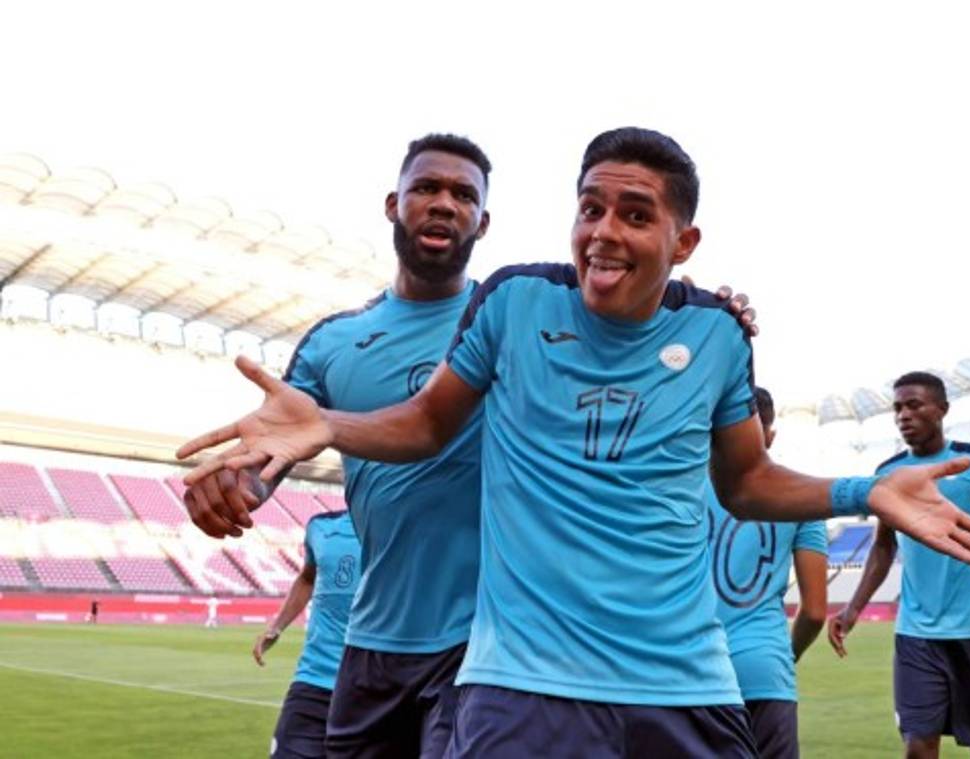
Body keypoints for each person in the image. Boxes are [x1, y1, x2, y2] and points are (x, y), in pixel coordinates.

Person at [179, 127, 970, 757]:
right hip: (511, 681)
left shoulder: (716, 332)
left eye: (636, 215)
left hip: (683, 684)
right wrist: (323, 426)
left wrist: (860, 491)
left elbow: (745, 480)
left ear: (682, 242)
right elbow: (427, 423)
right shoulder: (510, 306)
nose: (605, 230)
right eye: (591, 208)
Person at [180, 132, 756, 758]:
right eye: (426, 188)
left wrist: (695, 302)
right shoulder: (331, 342)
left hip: (483, 646)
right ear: (392, 203)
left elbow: (634, 332)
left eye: (463, 195)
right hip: (373, 633)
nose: (444, 204)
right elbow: (283, 445)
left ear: (484, 222)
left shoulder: (523, 320)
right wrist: (235, 488)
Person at [827, 371, 970, 759]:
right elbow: (883, 548)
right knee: (918, 749)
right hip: (917, 634)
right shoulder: (888, 474)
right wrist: (852, 609)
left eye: (914, 405)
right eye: (898, 407)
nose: (904, 414)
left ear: (942, 410)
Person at [706, 386, 828, 759]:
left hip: (692, 673)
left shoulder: (673, 493)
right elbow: (814, 612)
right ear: (769, 437)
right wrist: (783, 655)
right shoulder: (805, 498)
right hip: (764, 672)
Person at [258, 510, 360, 759]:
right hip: (314, 681)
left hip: (374, 691)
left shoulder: (405, 526)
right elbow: (307, 578)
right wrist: (277, 626)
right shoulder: (320, 526)